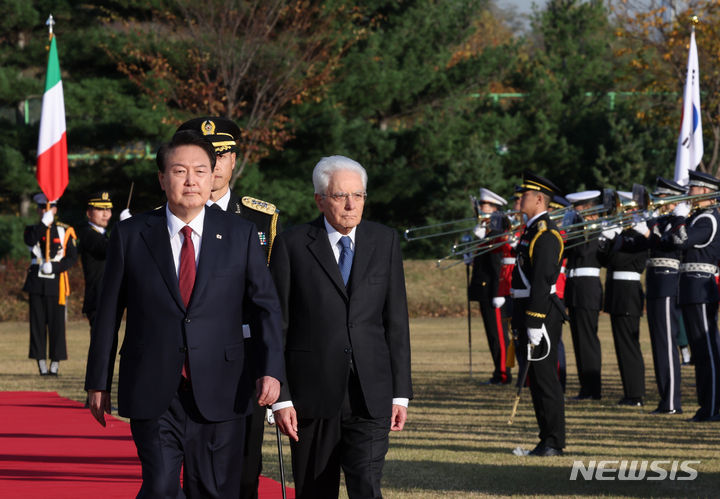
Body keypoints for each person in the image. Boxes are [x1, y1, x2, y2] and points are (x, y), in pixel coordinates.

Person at [84, 130, 285, 498]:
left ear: (213, 177)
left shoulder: (240, 234)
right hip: (153, 383)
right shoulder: (131, 235)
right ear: (162, 179)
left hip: (223, 385)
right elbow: (108, 311)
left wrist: (272, 370)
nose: (190, 180)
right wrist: (98, 380)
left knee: (211, 489)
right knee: (160, 486)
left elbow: (265, 308)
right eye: (179, 171)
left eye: (200, 171)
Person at [270, 155, 412, 498]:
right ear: (320, 199)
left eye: (358, 196)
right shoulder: (291, 245)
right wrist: (281, 399)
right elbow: (278, 326)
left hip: (371, 393)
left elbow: (396, 321)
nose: (351, 205)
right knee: (315, 489)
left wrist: (400, 393)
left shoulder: (385, 241)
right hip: (311, 395)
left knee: (366, 482)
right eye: (339, 196)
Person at [176, 116, 280, 498]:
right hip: (183, 356)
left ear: (234, 159)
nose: (213, 164)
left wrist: (272, 365)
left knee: (244, 468)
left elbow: (268, 298)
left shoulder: (260, 217)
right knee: (186, 465)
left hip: (241, 353)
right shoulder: (169, 215)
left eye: (221, 155)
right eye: (204, 155)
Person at [615, 178, 685, 414]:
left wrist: (646, 232)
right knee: (657, 344)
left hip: (668, 282)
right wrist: (618, 233)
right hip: (655, 283)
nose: (658, 201)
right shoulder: (659, 220)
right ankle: (666, 398)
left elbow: (669, 245)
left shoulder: (677, 221)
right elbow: (634, 245)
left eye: (662, 197)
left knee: (666, 343)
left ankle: (672, 402)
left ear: (673, 198)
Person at [510, 172, 565, 457]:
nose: (519, 199)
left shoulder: (545, 234)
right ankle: (546, 438)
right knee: (536, 380)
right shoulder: (531, 231)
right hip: (527, 310)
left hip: (540, 314)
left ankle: (553, 441)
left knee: (545, 379)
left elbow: (543, 282)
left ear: (539, 199)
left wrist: (534, 321)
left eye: (525, 195)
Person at [661, 170, 720, 422]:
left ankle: (714, 406)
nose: (688, 192)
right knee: (700, 352)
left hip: (701, 287)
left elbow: (682, 241)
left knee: (708, 352)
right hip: (690, 288)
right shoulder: (698, 217)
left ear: (705, 192)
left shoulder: (708, 219)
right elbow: (670, 240)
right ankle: (706, 405)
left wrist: (678, 220)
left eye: (693, 188)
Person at [598, 191, 648, 407]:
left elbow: (623, 259)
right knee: (621, 345)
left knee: (629, 345)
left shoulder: (639, 236)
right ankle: (630, 392)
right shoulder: (625, 234)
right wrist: (604, 241)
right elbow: (605, 260)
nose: (623, 214)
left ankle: (635, 394)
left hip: (628, 292)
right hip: (618, 292)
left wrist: (616, 238)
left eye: (627, 210)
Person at [23, 193, 78, 376]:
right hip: (36, 283)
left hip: (56, 283)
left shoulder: (65, 230)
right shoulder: (31, 229)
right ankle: (41, 363)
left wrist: (55, 267)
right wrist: (43, 224)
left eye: (49, 208)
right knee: (37, 325)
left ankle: (55, 363)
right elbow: (31, 241)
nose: (45, 211)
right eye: (42, 208)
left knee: (57, 325)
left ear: (55, 209)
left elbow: (71, 258)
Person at [468, 188, 512, 384]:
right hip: (484, 289)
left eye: (484, 206)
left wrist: (497, 291)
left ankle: (503, 373)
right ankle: (498, 371)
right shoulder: (486, 231)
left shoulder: (496, 232)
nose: (480, 209)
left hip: (493, 290)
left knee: (499, 336)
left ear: (495, 209)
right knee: (492, 335)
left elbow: (496, 265)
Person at [563, 190, 604, 400]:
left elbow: (583, 252)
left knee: (588, 339)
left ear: (587, 208)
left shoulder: (595, 229)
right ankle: (585, 387)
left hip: (587, 288)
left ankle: (593, 388)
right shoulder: (580, 229)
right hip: (575, 287)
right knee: (579, 340)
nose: (574, 211)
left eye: (576, 208)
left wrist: (576, 228)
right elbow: (564, 251)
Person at [78, 191, 113, 326]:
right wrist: (126, 227)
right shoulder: (88, 233)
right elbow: (108, 249)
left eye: (108, 209)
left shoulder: (105, 235)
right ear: (89, 213)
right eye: (99, 209)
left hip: (108, 298)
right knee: (100, 345)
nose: (105, 214)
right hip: (98, 298)